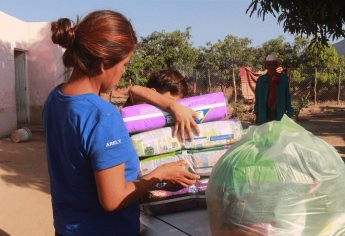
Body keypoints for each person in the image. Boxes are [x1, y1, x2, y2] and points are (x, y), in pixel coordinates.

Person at [44, 10, 200, 236]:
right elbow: (113, 199)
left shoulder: (55, 99)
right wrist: (160, 175)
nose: (124, 71)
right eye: (125, 63)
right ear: (103, 64)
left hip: (66, 228)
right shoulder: (102, 116)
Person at [254, 54, 293, 124]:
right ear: (265, 66)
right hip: (264, 112)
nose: (271, 67)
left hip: (279, 111)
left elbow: (287, 96)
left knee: (278, 132)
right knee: (265, 133)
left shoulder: (283, 79)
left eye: (273, 65)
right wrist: (256, 112)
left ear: (276, 66)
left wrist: (289, 111)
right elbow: (257, 98)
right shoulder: (260, 80)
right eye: (269, 65)